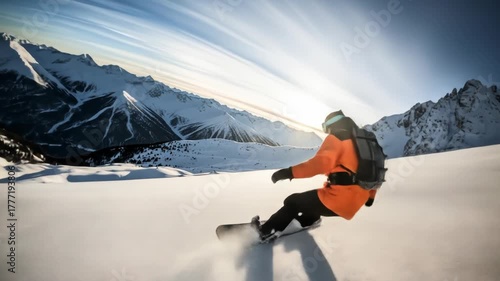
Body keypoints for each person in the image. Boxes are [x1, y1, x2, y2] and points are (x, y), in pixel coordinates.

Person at [251, 110, 377, 242]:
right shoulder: (366, 142)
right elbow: (375, 171)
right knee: (315, 199)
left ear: (331, 124)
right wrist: (370, 197)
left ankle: (266, 232)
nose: (326, 131)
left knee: (293, 201)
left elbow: (318, 165)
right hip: (357, 201)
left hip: (340, 199)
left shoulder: (338, 137)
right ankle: (310, 219)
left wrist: (289, 172)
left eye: (325, 127)